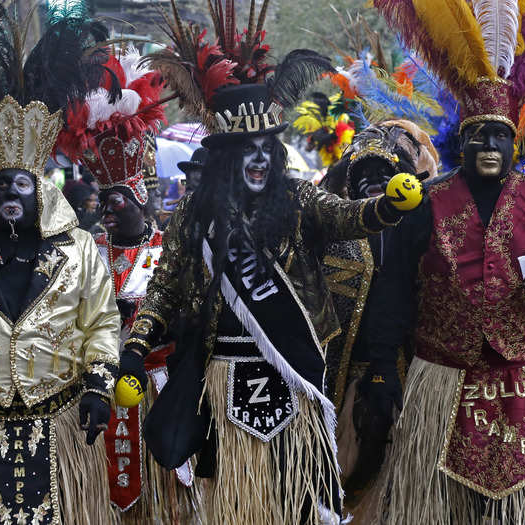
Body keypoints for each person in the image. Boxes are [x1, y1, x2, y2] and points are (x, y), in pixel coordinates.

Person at [117, 2, 422, 523]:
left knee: (297, 499)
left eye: (266, 147)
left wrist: (386, 207)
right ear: (226, 157)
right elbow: (167, 286)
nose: (259, 158)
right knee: (233, 501)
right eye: (246, 149)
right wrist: (136, 348)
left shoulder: (299, 198)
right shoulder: (199, 211)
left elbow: (347, 217)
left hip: (294, 370)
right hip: (221, 373)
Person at [369, 0, 525, 523]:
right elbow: (391, 290)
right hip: (441, 380)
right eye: (478, 134)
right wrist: (382, 370)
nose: (489, 144)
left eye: (499, 134)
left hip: (524, 377)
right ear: (462, 140)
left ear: (514, 140)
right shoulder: (426, 202)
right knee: (443, 506)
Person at [0, 6, 120, 523]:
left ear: (40, 189)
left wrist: (98, 385)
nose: (8, 194)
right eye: (1, 185)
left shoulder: (79, 252)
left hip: (61, 425)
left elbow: (102, 324)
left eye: (20, 184)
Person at [56, 45, 192, 523]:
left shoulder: (168, 251)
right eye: (104, 203)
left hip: (156, 387)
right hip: (97, 391)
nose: (108, 211)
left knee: (166, 500)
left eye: (119, 202)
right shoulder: (86, 250)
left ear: (140, 200)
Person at [318, 120, 439, 523]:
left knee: (400, 475)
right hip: (343, 376)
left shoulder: (422, 228)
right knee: (347, 473)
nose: (373, 181)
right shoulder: (335, 236)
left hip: (411, 372)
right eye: (363, 175)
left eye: (383, 174)